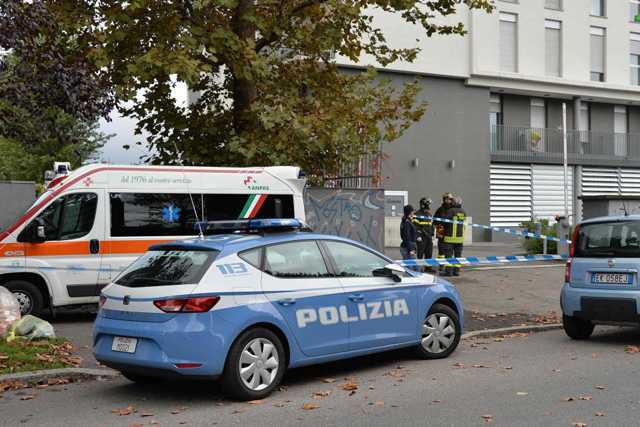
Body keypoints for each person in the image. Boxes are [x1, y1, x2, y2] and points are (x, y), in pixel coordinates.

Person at [441, 195, 467, 276]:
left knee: (448, 256)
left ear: (454, 202)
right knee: (458, 256)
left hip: (449, 238)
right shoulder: (463, 212)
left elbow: (443, 221)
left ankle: (448, 272)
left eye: (452, 201)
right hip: (459, 239)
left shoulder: (451, 211)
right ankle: (456, 271)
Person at [433, 193, 454, 273]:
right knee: (441, 250)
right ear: (445, 200)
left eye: (452, 199)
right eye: (450, 199)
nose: (451, 200)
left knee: (449, 250)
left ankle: (449, 266)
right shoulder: (440, 209)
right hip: (441, 233)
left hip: (450, 233)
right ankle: (441, 265)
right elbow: (435, 221)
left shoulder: (453, 209)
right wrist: (439, 225)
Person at [413, 197, 434, 271]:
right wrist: (418, 236)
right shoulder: (417, 214)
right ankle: (418, 268)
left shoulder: (429, 214)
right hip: (421, 237)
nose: (428, 207)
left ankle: (428, 268)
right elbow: (415, 227)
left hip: (428, 237)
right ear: (423, 205)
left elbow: (432, 225)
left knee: (429, 253)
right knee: (420, 253)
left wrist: (432, 234)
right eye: (427, 205)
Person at [400, 204, 418, 268]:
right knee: (411, 267)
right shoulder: (407, 222)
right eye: (412, 211)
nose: (413, 213)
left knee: (411, 267)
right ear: (409, 212)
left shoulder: (407, 221)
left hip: (408, 246)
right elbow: (407, 237)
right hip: (408, 247)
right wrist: (411, 249)